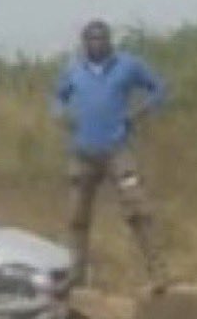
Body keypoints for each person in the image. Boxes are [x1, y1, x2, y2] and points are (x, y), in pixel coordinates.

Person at [52, 20, 168, 293]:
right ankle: (76, 275)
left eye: (101, 38)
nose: (97, 43)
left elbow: (159, 87)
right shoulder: (73, 69)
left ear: (109, 41)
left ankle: (158, 273)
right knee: (77, 217)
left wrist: (140, 111)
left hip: (118, 149)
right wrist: (61, 113)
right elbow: (58, 96)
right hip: (83, 152)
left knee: (137, 209)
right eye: (91, 39)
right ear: (84, 43)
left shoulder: (128, 65)